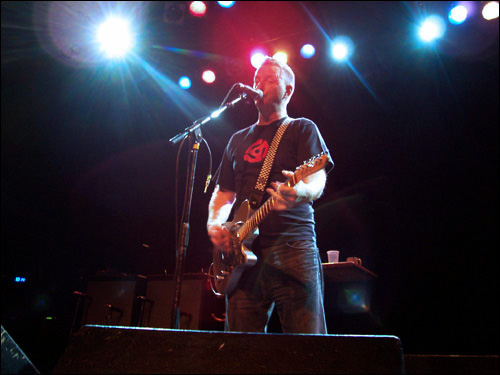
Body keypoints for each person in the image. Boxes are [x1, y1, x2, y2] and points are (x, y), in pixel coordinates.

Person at [207, 56, 334, 334]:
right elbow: (223, 192)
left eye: (269, 79)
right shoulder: (237, 139)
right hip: (242, 256)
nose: (258, 84)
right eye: (256, 79)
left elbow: (316, 177)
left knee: (306, 349)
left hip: (291, 247)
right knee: (239, 353)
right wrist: (215, 224)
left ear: (288, 91)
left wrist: (299, 192)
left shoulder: (302, 128)